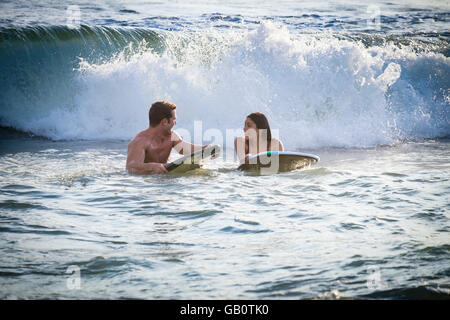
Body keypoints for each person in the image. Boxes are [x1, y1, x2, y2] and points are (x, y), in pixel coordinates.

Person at [126, 101, 209, 174]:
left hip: (164, 180)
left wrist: (205, 149)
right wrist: (152, 167)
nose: (175, 123)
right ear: (165, 122)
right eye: (174, 119)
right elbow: (131, 167)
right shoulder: (140, 141)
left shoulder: (171, 136)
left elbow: (183, 148)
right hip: (146, 184)